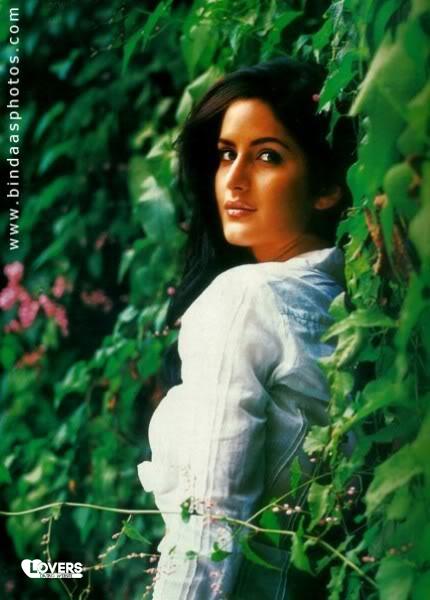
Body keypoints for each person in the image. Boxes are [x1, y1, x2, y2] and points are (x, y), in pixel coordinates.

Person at [137, 56, 356, 599]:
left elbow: (209, 519)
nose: (234, 179)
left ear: (327, 187)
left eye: (266, 156)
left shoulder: (244, 298)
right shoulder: (345, 307)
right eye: (226, 154)